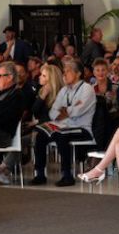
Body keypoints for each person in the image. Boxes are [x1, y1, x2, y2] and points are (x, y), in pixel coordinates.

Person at [30, 59, 96, 187]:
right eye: (64, 71)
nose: (64, 74)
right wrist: (66, 112)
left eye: (68, 71)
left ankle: (67, 175)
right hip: (62, 126)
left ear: (78, 74)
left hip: (81, 128)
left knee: (60, 135)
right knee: (41, 135)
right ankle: (40, 174)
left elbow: (78, 111)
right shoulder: (64, 90)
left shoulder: (87, 89)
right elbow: (53, 112)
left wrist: (65, 111)